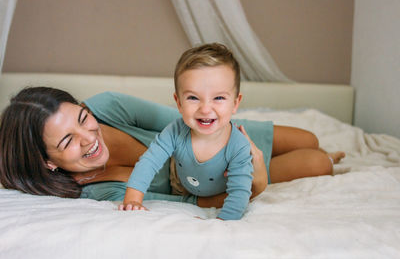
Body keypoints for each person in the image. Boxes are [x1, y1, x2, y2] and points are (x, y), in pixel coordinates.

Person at [0, 58, 345, 213]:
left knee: (308, 138)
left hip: (221, 136)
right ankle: (332, 160)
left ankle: (334, 153)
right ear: (46, 162)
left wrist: (238, 143)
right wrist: (252, 183)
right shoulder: (93, 191)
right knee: (317, 161)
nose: (88, 137)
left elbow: (190, 118)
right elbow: (186, 204)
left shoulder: (109, 106)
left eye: (82, 118)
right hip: (216, 183)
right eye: (67, 141)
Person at [120, 43, 254, 220]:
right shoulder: (176, 131)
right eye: (193, 97)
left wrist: (223, 222)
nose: (205, 109)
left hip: (220, 194)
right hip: (180, 185)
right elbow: (149, 161)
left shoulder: (238, 146)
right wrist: (133, 199)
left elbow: (239, 191)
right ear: (178, 102)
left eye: (219, 98)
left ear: (235, 103)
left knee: (248, 181)